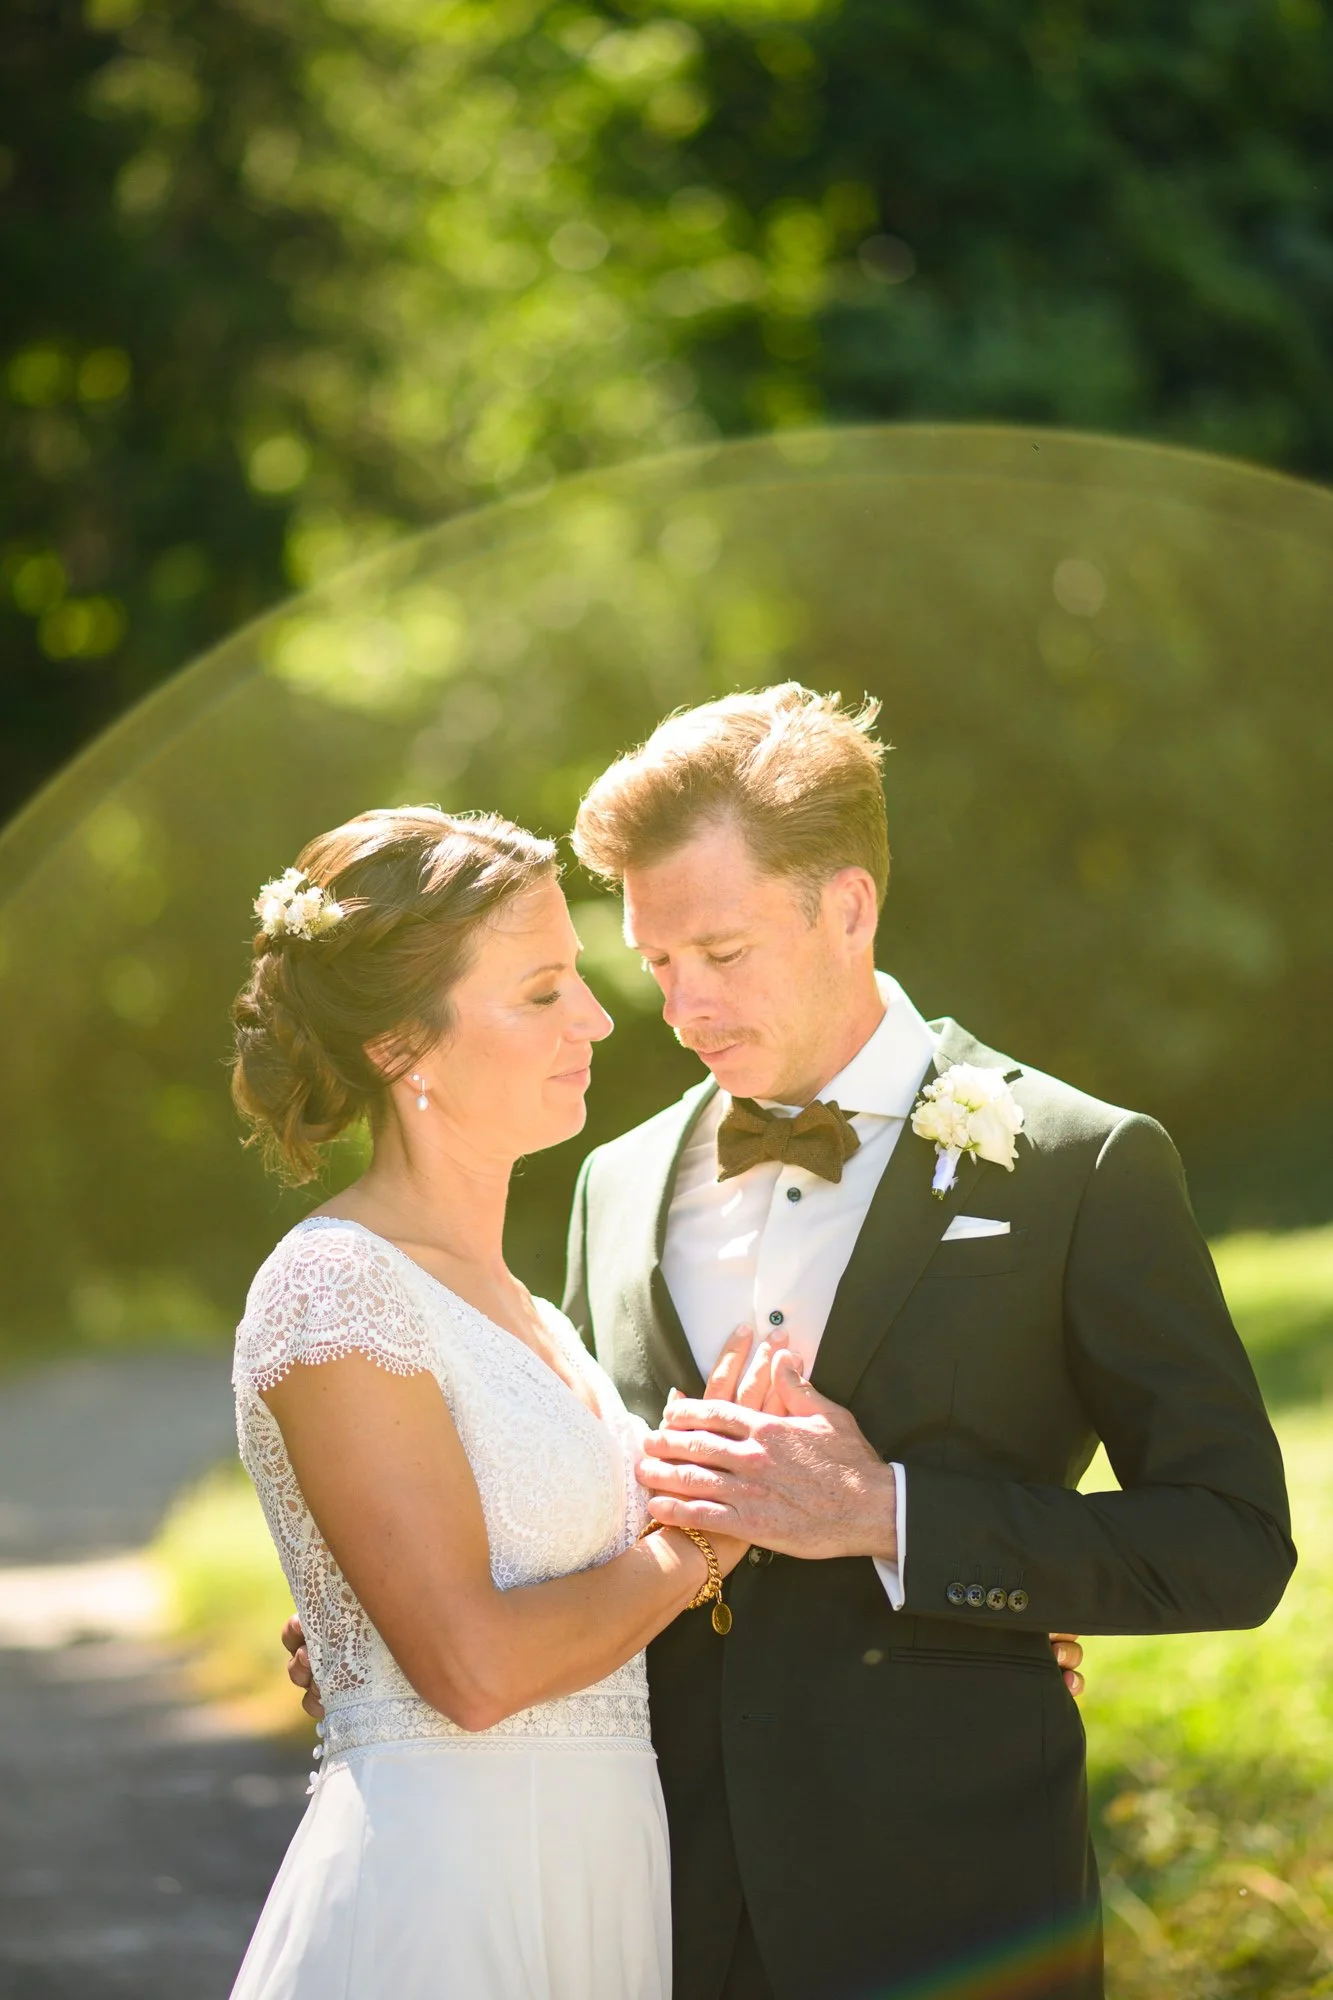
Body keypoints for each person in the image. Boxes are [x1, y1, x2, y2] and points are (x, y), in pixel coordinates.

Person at [553, 684, 1295, 1999]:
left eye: (721, 954)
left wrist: (893, 1515)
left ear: (847, 905)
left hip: (956, 1908)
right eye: (655, 962)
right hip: (653, 1895)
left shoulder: (1080, 1163)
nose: (682, 1009)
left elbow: (1229, 1545)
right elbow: (581, 1500)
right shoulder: (615, 1183)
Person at [226, 805, 794, 2000]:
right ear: (397, 1044)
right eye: (541, 993)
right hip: (447, 1893)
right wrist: (697, 1543)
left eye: (577, 981)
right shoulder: (335, 1288)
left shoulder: (536, 1314)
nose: (593, 1018)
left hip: (603, 1875)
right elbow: (473, 1671)